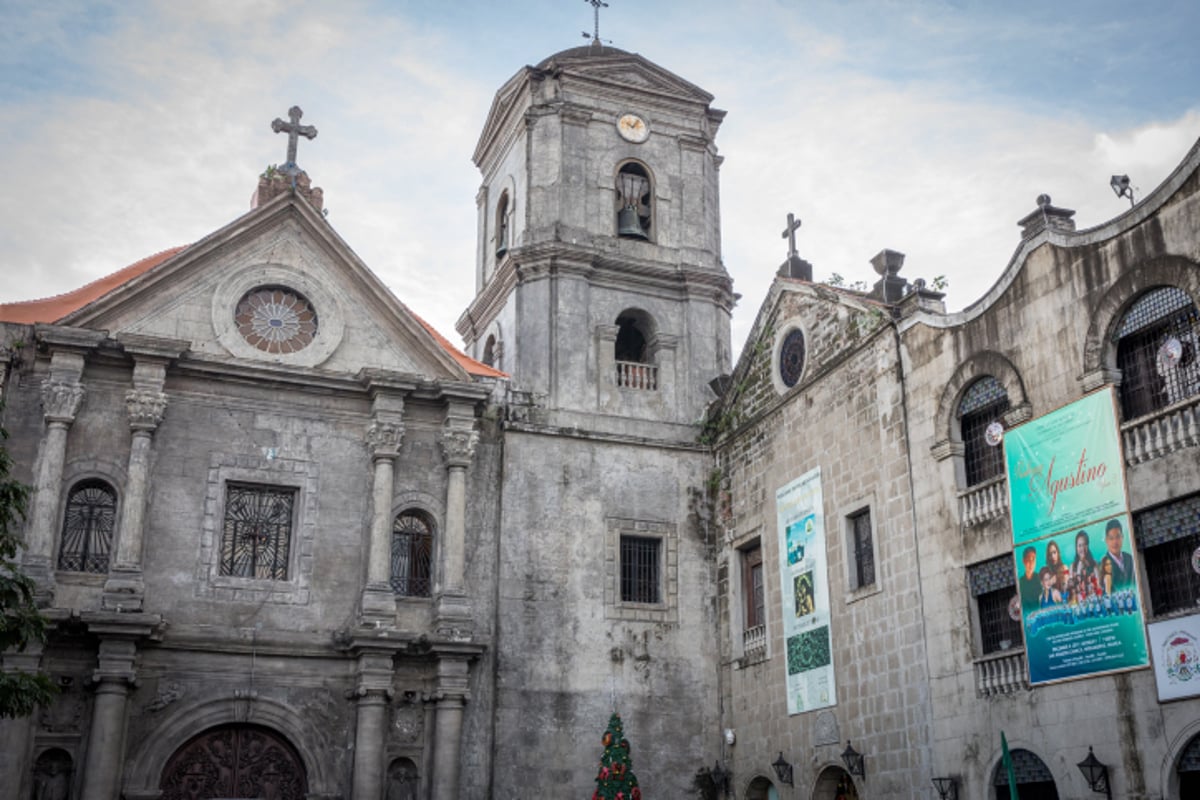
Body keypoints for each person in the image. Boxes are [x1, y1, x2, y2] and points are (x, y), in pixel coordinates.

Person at [1102, 518, 1136, 589]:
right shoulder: (1103, 565)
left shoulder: (1130, 558)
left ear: (1122, 537)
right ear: (1106, 540)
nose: (1115, 542)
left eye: (1118, 537)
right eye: (1111, 538)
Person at [1070, 530, 1100, 599]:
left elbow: (1099, 585)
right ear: (1076, 547)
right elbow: (1072, 590)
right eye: (1079, 545)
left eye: (1084, 544)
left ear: (1088, 545)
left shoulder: (1094, 563)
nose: (1082, 548)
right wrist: (1078, 570)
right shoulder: (1072, 566)